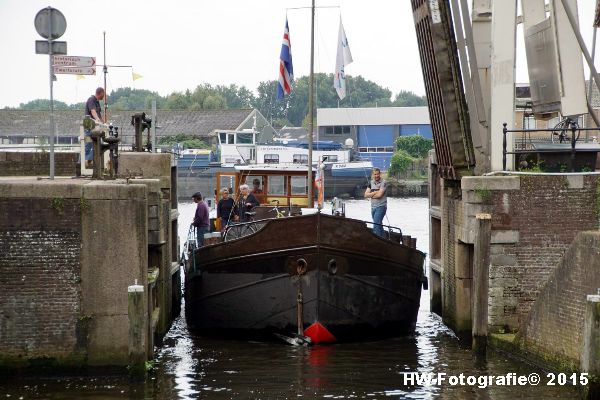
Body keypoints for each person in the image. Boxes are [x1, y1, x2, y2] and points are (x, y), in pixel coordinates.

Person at [84, 87, 105, 168]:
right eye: (103, 94)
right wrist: (98, 120)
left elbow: (98, 113)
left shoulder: (97, 102)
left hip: (94, 126)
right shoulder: (91, 99)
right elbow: (93, 111)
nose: (104, 96)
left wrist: (103, 122)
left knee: (96, 144)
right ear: (100, 93)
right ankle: (86, 162)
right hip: (89, 125)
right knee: (88, 143)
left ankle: (91, 161)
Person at [365, 167, 387, 237]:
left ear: (380, 174)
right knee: (378, 224)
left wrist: (371, 195)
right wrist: (375, 192)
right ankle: (384, 240)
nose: (376, 176)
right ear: (373, 175)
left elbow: (379, 195)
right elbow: (365, 195)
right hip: (373, 207)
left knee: (376, 225)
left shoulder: (384, 182)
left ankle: (377, 240)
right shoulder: (371, 183)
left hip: (381, 206)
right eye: (375, 174)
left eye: (377, 174)